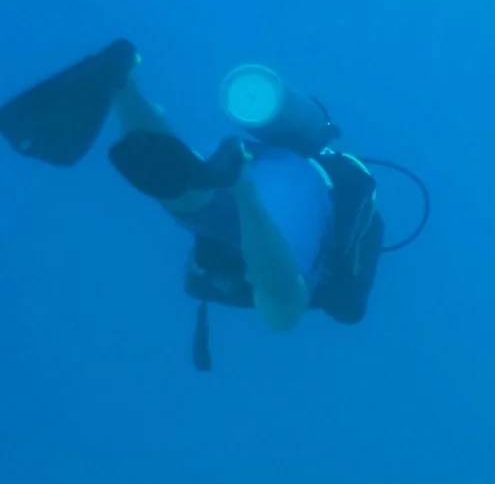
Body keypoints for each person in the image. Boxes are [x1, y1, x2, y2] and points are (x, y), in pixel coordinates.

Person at [0, 40, 386, 367]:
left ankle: (124, 83)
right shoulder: (336, 214)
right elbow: (333, 302)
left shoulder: (284, 173)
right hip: (296, 196)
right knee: (284, 309)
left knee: (191, 195)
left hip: (249, 160)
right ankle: (241, 191)